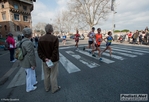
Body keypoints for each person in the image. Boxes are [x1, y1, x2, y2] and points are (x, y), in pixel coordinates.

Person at [37, 24, 60, 93]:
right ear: (52, 30)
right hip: (54, 60)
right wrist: (51, 59)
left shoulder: (40, 39)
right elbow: (55, 51)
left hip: (45, 60)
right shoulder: (55, 38)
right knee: (53, 75)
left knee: (46, 75)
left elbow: (39, 51)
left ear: (45, 30)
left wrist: (44, 58)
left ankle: (47, 88)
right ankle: (54, 88)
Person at [19, 28, 37, 92]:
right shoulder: (28, 42)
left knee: (30, 73)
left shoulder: (22, 41)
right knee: (29, 75)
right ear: (29, 34)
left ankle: (33, 82)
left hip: (24, 60)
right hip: (28, 62)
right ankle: (29, 87)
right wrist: (33, 64)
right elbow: (30, 55)